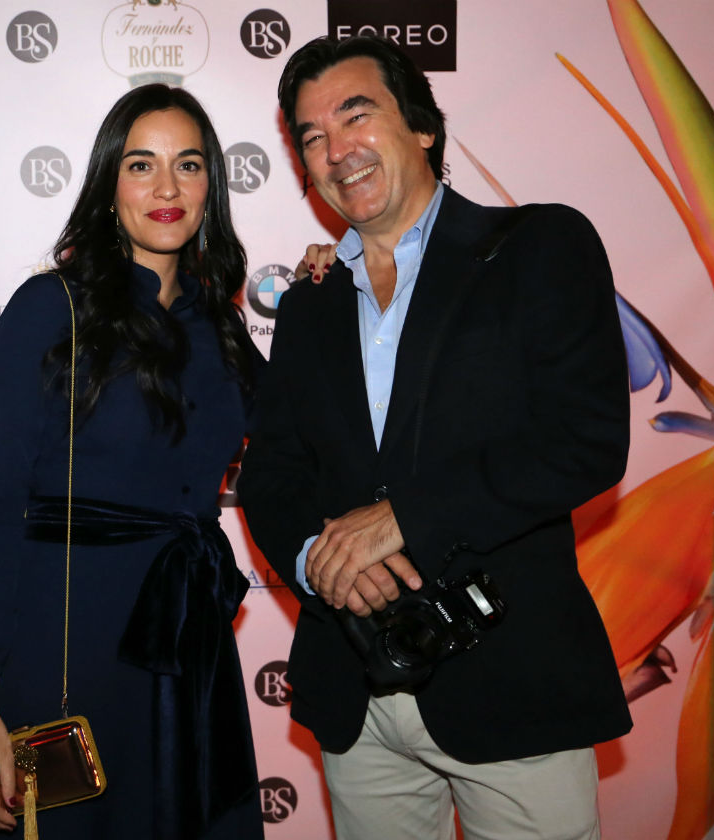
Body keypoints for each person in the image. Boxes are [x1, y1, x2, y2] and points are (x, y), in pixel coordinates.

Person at [237, 35, 633, 840]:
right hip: (356, 692)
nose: (336, 149)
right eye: (312, 136)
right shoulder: (310, 302)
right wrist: (319, 562)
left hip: (512, 684)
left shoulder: (536, 247)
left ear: (421, 126)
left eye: (356, 115)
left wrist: (404, 519)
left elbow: (584, 439)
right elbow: (272, 473)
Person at [0, 83, 263, 840]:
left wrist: (332, 284)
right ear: (108, 184)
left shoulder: (221, 328)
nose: (166, 188)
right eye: (141, 165)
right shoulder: (50, 310)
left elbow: (306, 434)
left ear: (211, 185)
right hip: (64, 651)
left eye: (188, 165)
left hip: (187, 656)